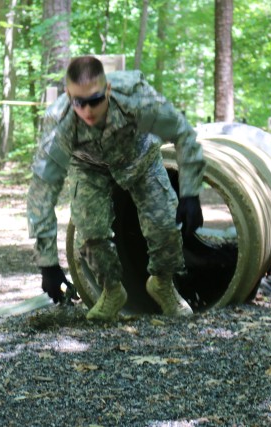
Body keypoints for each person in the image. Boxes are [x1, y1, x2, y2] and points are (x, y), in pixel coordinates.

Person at [27, 56, 206, 321]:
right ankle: (111, 291)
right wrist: (47, 262)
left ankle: (162, 284)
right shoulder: (60, 120)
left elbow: (182, 133)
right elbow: (43, 187)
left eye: (95, 100)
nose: (87, 110)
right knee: (90, 231)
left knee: (165, 224)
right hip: (89, 167)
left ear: (107, 90)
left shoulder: (135, 99)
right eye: (79, 102)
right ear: (68, 95)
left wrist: (191, 192)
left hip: (139, 159)